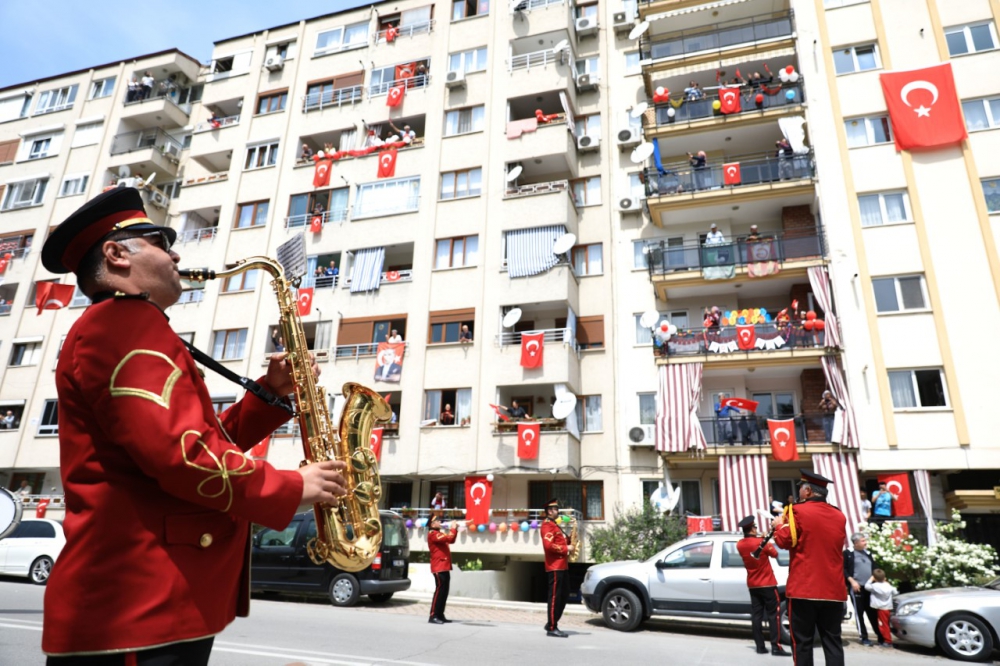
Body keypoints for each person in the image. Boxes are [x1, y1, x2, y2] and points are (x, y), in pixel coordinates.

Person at [38, 187, 348, 664]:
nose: (176, 252)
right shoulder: (122, 327)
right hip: (139, 607)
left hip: (149, 603)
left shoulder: (129, 325)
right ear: (117, 254)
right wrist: (291, 487)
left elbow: (189, 439)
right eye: (161, 240)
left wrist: (269, 395)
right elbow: (179, 455)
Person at [772, 470, 847, 666]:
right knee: (832, 643)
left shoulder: (797, 511)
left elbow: (784, 541)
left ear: (807, 492)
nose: (798, 493)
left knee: (803, 643)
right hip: (833, 590)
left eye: (800, 489)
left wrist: (778, 526)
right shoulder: (839, 515)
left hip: (804, 589)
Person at [736, 516, 789, 657]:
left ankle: (760, 646)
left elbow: (751, 545)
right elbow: (775, 554)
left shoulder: (740, 544)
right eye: (755, 527)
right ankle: (776, 646)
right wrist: (767, 538)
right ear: (752, 529)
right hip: (767, 583)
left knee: (757, 616)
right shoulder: (761, 542)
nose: (756, 529)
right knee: (774, 616)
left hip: (753, 584)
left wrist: (762, 538)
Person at [541, 498, 573, 637]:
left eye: (557, 509)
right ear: (549, 511)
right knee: (554, 597)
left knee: (564, 594)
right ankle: (552, 627)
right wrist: (566, 548)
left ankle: (551, 622)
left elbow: (558, 541)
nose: (557, 511)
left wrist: (570, 539)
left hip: (562, 565)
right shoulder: (547, 525)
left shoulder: (554, 525)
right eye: (555, 509)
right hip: (555, 566)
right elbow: (548, 546)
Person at [844, 531, 880, 647]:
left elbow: (875, 568)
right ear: (856, 542)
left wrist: (872, 580)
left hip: (869, 587)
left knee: (873, 612)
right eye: (863, 540)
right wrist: (852, 581)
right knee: (859, 613)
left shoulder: (868, 553)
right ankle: (863, 637)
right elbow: (843, 570)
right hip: (857, 587)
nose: (865, 543)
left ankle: (881, 636)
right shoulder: (848, 553)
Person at [427, 513, 458, 624]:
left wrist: (455, 529)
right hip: (439, 567)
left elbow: (451, 540)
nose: (440, 522)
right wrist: (453, 529)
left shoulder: (438, 533)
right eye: (437, 520)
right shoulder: (433, 534)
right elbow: (449, 538)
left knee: (444, 592)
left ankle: (440, 614)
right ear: (432, 523)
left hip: (444, 566)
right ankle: (433, 615)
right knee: (439, 591)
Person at [864, 569, 897, 647]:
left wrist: (870, 580)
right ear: (884, 577)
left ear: (874, 578)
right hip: (887, 608)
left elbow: (866, 586)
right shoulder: (888, 585)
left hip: (880, 608)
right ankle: (888, 640)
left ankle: (887, 641)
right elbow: (895, 592)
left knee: (883, 625)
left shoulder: (875, 586)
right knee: (886, 624)